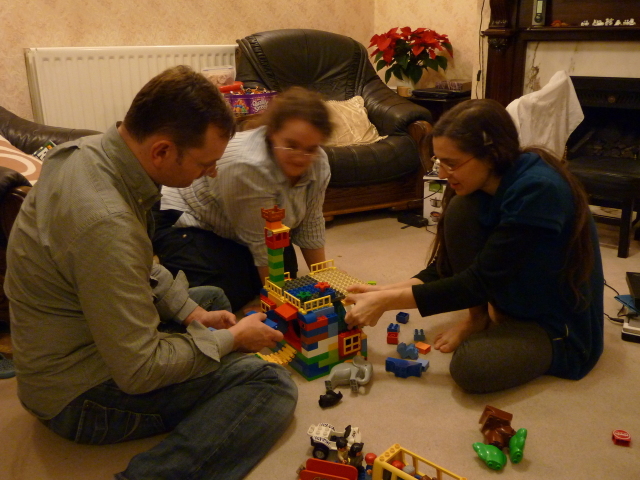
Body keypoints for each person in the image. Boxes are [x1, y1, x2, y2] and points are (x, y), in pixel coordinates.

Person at [5, 65, 297, 480]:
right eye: (204, 164)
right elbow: (140, 370)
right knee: (267, 383)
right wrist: (231, 341)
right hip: (77, 396)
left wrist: (194, 315)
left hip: (72, 341)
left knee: (210, 300)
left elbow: (138, 264)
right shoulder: (106, 224)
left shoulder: (87, 152)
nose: (212, 173)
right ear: (161, 151)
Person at [344, 99, 604, 394]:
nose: (443, 174)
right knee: (461, 209)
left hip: (555, 324)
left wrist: (386, 303)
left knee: (471, 367)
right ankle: (479, 319)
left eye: (452, 163)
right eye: (439, 162)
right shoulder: (486, 183)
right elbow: (448, 268)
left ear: (492, 155)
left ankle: (509, 329)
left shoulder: (539, 191)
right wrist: (383, 292)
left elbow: (479, 282)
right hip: (516, 295)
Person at [153, 86, 333, 312]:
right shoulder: (247, 166)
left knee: (286, 275)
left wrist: (326, 282)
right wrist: (276, 306)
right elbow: (260, 243)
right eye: (291, 145)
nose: (301, 157)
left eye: (311, 148)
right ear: (272, 133)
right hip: (185, 216)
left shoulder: (319, 162)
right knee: (221, 297)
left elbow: (311, 222)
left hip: (239, 226)